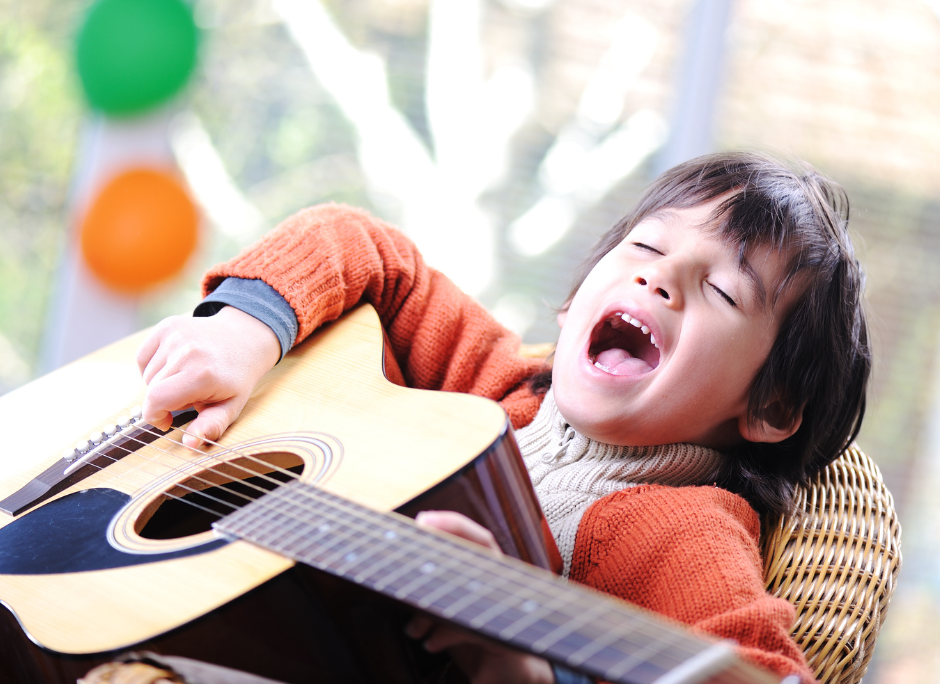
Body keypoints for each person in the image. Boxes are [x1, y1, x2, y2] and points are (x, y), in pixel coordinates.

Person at [134, 150, 870, 684]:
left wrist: (517, 662)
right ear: (574, 300)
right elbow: (356, 240)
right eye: (646, 245)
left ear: (770, 408)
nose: (658, 276)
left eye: (720, 290)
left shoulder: (686, 532)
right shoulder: (499, 381)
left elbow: (758, 670)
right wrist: (241, 329)